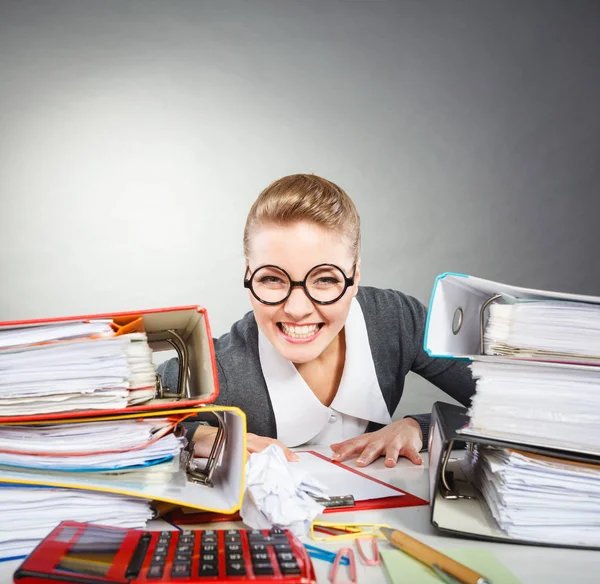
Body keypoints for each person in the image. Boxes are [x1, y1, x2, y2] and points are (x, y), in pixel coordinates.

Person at [158, 174, 474, 467]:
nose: (297, 309)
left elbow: (512, 408)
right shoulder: (217, 372)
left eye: (324, 279)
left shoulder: (398, 321)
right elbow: (117, 417)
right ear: (248, 274)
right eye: (272, 279)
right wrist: (199, 436)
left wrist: (419, 428)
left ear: (355, 275)